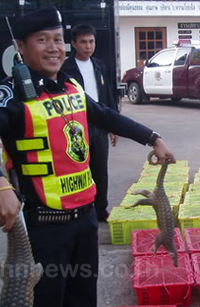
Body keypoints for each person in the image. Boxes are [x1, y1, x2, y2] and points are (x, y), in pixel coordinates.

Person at [0, 6, 175, 307]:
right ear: (20, 47)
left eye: (57, 39)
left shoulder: (69, 86)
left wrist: (152, 137)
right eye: (42, 40)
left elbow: (104, 115)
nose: (54, 48)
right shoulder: (8, 96)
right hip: (44, 229)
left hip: (84, 222)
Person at [62, 24, 118, 222]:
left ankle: (101, 209)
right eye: (83, 42)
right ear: (74, 44)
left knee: (100, 169)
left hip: (100, 125)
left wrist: (114, 125)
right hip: (76, 127)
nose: (88, 46)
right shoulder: (64, 69)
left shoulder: (99, 66)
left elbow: (109, 96)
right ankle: (81, 209)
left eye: (91, 42)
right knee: (78, 169)